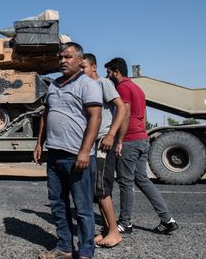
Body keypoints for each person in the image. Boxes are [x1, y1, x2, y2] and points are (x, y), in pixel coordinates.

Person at [33, 43, 102, 259]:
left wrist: (84, 151)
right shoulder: (54, 84)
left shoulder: (87, 84)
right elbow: (46, 114)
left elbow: (95, 117)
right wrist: (39, 143)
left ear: (80, 61)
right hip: (54, 154)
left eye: (68, 57)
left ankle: (85, 251)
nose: (62, 60)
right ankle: (64, 246)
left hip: (77, 156)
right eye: (61, 56)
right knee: (58, 205)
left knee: (82, 208)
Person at [105, 57, 179, 235]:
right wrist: (141, 134)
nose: (107, 76)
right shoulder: (138, 88)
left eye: (108, 72)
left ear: (116, 72)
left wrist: (120, 140)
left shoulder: (122, 88)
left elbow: (125, 113)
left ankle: (125, 223)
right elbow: (143, 115)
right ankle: (167, 220)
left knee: (125, 182)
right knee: (142, 180)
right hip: (142, 138)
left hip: (129, 140)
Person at [82, 54, 124, 248]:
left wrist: (111, 135)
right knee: (96, 189)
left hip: (103, 140)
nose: (81, 71)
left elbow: (121, 108)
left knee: (102, 188)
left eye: (83, 67)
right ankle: (107, 229)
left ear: (94, 67)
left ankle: (115, 232)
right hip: (92, 143)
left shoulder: (103, 83)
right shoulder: (84, 86)